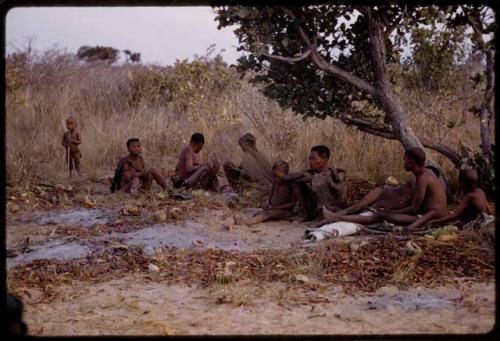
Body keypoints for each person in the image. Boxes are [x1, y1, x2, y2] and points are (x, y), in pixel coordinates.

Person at [322, 147, 447, 231]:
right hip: (425, 214)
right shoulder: (423, 175)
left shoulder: (423, 178)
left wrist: (391, 212)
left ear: (412, 161)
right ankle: (337, 217)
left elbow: (414, 209)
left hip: (429, 217)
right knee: (384, 213)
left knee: (381, 216)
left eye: (405, 160)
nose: (403, 163)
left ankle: (337, 218)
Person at [284, 145, 346, 221]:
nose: (311, 162)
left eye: (314, 159)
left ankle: (322, 216)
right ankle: (307, 215)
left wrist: (310, 178)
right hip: (315, 208)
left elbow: (323, 179)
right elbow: (286, 178)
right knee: (297, 183)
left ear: (324, 160)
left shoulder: (332, 174)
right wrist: (303, 174)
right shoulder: (313, 172)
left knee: (318, 180)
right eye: (310, 159)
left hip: (333, 209)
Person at [235, 160, 297, 226]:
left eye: (277, 176)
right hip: (273, 208)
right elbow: (271, 194)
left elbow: (292, 204)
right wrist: (268, 203)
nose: (275, 179)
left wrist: (277, 208)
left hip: (286, 211)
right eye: (274, 176)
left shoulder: (291, 184)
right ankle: (247, 218)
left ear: (286, 174)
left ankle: (246, 223)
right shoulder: (275, 182)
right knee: (256, 211)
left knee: (267, 214)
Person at [426, 168, 492, 227]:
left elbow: (454, 215)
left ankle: (416, 226)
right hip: (478, 219)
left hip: (466, 222)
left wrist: (433, 222)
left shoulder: (470, 196)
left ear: (462, 184)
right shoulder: (480, 191)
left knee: (434, 213)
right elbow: (489, 211)